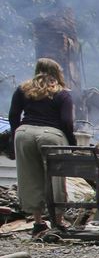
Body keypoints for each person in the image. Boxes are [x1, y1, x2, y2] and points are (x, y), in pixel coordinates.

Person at [7, 58, 76, 227]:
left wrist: (18, 133)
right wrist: (71, 143)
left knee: (30, 177)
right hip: (51, 135)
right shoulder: (62, 93)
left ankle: (37, 222)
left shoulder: (23, 89)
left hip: (24, 134)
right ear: (57, 73)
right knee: (56, 178)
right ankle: (58, 222)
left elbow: (13, 115)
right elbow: (67, 121)